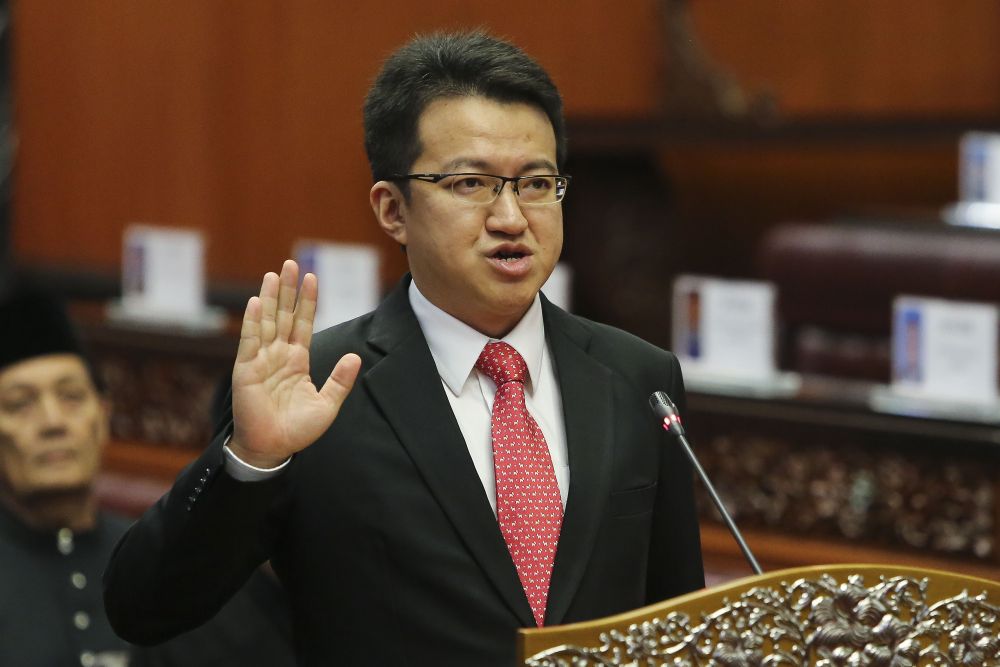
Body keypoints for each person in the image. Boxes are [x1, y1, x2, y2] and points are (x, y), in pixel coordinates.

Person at [104, 30, 704, 665]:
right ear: (393, 210)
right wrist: (251, 461)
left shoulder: (640, 377)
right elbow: (143, 608)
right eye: (471, 184)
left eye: (535, 182)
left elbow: (684, 627)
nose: (511, 217)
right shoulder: (314, 387)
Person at [0, 287, 295, 667]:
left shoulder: (161, 559)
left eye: (71, 397)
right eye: (20, 404)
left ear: (103, 414)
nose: (52, 423)